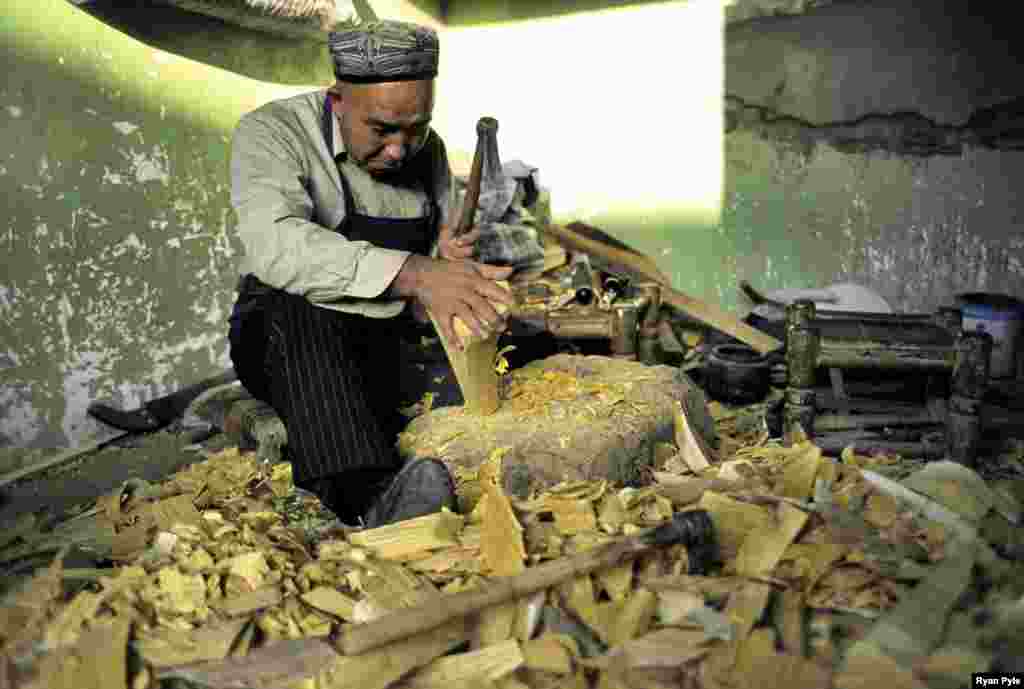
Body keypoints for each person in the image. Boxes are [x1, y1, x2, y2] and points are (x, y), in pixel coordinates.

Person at [227, 19, 514, 527]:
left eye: (416, 128)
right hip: (287, 335)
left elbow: (434, 268)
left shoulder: (430, 152)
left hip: (388, 333)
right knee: (297, 306)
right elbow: (276, 245)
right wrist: (419, 272)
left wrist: (446, 261)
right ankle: (367, 499)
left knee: (519, 350)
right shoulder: (273, 133)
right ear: (338, 100)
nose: (400, 149)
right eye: (381, 130)